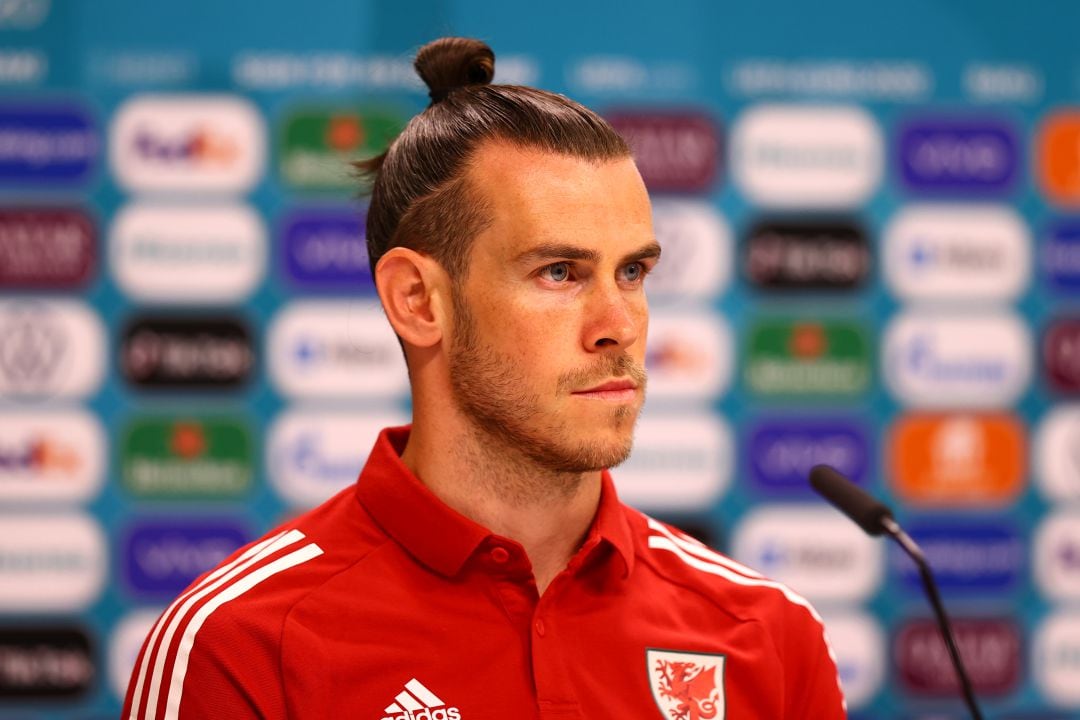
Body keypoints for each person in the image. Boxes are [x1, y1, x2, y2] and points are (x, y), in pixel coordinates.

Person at [123, 37, 846, 720]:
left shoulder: (769, 636)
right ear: (417, 300)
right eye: (559, 272)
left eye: (632, 271)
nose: (618, 323)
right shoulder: (240, 643)